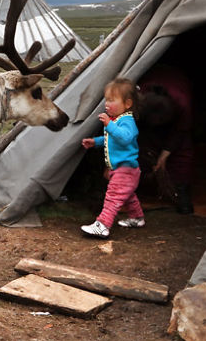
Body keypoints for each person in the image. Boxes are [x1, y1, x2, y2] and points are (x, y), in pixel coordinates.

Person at [80, 77, 145, 239]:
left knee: (113, 196)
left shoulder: (127, 121)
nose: (107, 104)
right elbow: (111, 139)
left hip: (126, 169)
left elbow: (125, 138)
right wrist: (95, 142)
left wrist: (109, 124)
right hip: (122, 169)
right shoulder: (117, 120)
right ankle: (137, 218)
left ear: (127, 104)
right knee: (127, 195)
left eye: (112, 100)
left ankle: (103, 225)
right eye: (106, 100)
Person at [137, 65, 194, 214]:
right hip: (146, 120)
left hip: (176, 93)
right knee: (143, 146)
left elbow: (180, 131)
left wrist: (164, 155)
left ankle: (180, 190)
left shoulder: (182, 103)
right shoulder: (137, 97)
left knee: (182, 152)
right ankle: (136, 184)